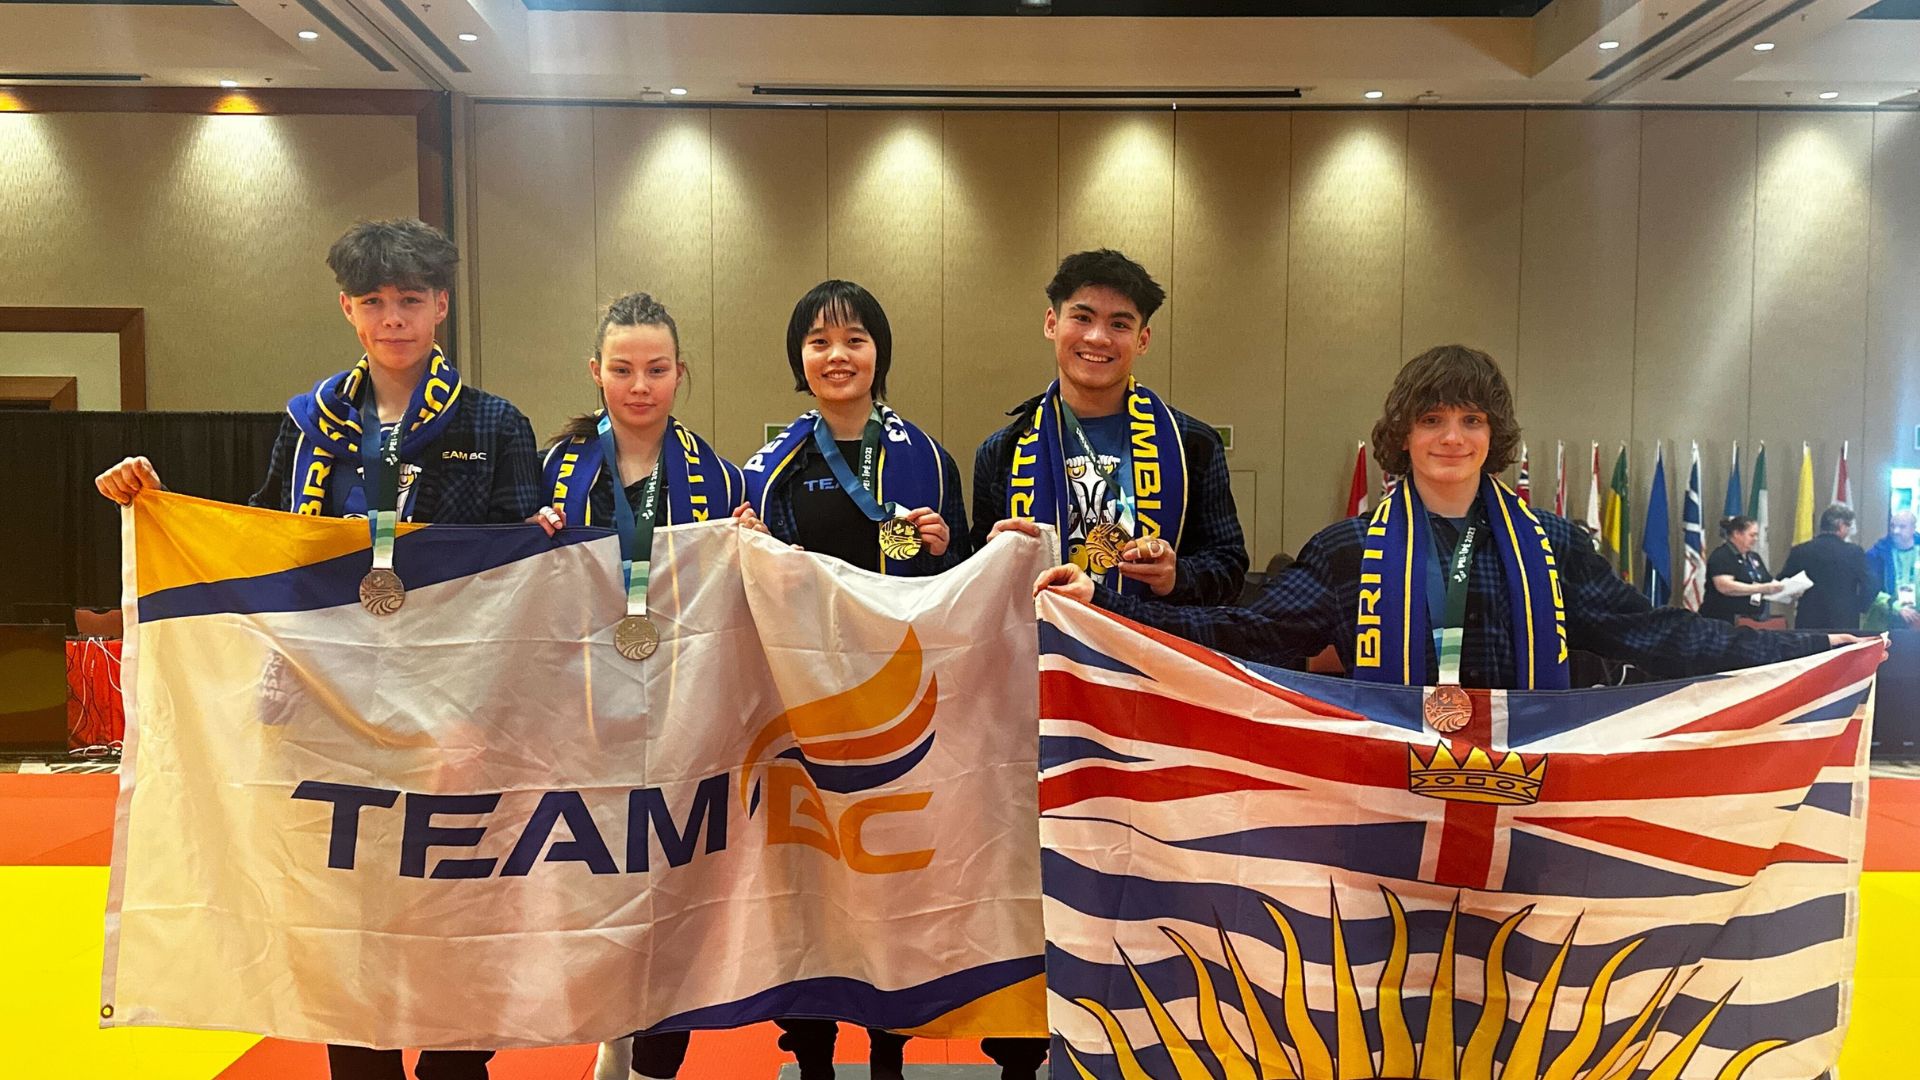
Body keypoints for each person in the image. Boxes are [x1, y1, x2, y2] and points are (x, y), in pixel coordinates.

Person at [95, 218, 544, 1080]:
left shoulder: (494, 423)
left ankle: (458, 1063)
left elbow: (522, 565)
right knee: (345, 897)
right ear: (347, 308)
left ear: (441, 305)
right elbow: (264, 537)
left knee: (455, 893)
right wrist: (156, 502)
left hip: (451, 695)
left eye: (411, 300)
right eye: (373, 302)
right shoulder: (308, 425)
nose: (393, 319)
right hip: (326, 693)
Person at [1028, 344, 1856, 684]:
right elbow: (1247, 632)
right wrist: (1106, 601)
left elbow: (1655, 635)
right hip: (1385, 793)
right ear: (1402, 434)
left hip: (1527, 796)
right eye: (1432, 420)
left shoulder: (1558, 545)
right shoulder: (1350, 548)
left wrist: (1814, 650)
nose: (1451, 437)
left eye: (1470, 420)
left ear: (1494, 435)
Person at [970, 248, 1244, 1078]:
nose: (1098, 336)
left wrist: (1175, 574)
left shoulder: (1191, 445)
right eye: (1082, 317)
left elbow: (1228, 567)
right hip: (1033, 706)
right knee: (1029, 883)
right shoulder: (1004, 447)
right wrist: (988, 559)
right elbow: (973, 592)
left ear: (1144, 340)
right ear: (1051, 323)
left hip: (1147, 703)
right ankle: (1022, 1054)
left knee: (1145, 882)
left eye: (1119, 323)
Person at [740, 279, 968, 1080]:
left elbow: (961, 587)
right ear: (799, 359)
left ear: (880, 354)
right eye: (819, 342)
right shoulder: (767, 470)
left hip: (902, 711)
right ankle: (811, 1060)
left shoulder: (929, 460)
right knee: (810, 886)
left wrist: (945, 544)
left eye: (855, 339)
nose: (837, 356)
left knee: (891, 884)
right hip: (804, 712)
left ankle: (889, 1056)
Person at [541, 292, 755, 1080]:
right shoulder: (553, 470)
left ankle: (658, 1058)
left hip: (681, 712)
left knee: (674, 891)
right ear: (595, 373)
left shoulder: (719, 474)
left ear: (680, 373)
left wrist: (751, 544)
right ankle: (611, 1032)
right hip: (584, 711)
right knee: (596, 892)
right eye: (623, 369)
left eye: (657, 370)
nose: (640, 386)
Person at [1781, 504, 1877, 631]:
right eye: (1848, 526)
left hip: (1808, 621)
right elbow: (1871, 584)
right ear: (1841, 526)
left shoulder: (1801, 551)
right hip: (1844, 622)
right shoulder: (1854, 553)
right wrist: (1859, 607)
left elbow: (1783, 583)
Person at [1702, 515, 1780, 625]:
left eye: (1756, 535)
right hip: (1723, 622)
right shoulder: (1722, 555)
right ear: (1737, 534)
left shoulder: (1754, 557)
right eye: (1752, 535)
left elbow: (1767, 581)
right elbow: (1725, 586)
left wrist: (1787, 588)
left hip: (1753, 621)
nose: (1755, 539)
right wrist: (1761, 588)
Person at [1866, 510, 1920, 630]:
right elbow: (1870, 589)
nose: (1896, 531)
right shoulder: (1876, 554)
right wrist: (1896, 607)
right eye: (1893, 526)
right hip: (1885, 620)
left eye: (1902, 527)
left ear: (1913, 528)